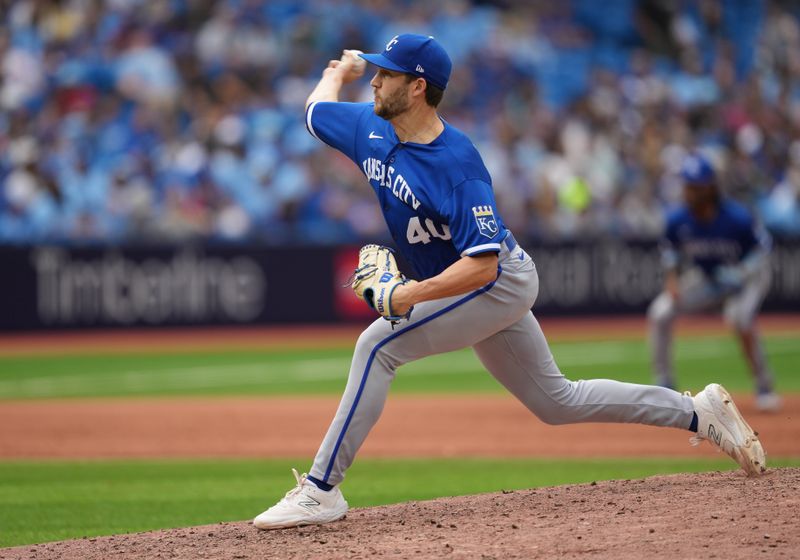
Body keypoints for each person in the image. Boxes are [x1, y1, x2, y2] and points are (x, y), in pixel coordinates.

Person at [253, 35, 767, 530]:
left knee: (377, 346)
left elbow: (483, 265)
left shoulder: (457, 165)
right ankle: (698, 413)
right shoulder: (368, 125)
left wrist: (405, 295)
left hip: (496, 282)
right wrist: (336, 73)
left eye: (386, 74)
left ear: (417, 88)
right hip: (471, 284)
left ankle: (322, 488)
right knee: (558, 402)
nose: (376, 81)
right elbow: (315, 112)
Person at [648, 153, 780, 412]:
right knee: (660, 312)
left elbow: (763, 249)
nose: (688, 192)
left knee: (740, 318)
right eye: (687, 186)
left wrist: (741, 272)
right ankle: (665, 385)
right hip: (710, 279)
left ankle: (764, 385)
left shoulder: (737, 217)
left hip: (746, 280)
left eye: (694, 186)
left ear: (709, 187)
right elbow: (670, 253)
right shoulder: (678, 220)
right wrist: (672, 280)